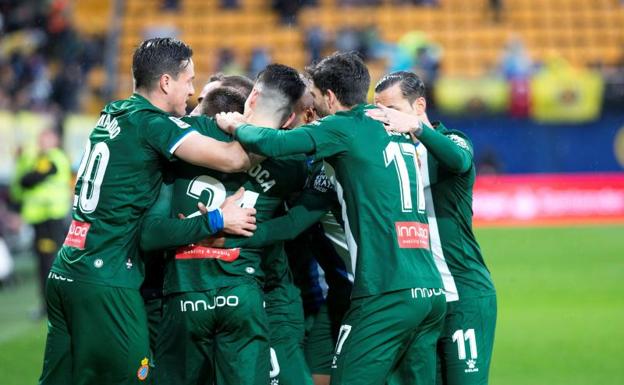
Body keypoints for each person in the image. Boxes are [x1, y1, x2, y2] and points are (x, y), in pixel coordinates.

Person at [216, 51, 446, 385]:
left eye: (314, 94)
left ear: (330, 97)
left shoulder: (341, 127)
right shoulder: (387, 123)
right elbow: (301, 217)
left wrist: (236, 124)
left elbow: (274, 142)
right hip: (429, 290)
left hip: (385, 291)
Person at [38, 37, 256, 385]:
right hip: (107, 277)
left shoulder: (112, 113)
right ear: (166, 82)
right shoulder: (155, 125)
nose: (192, 90)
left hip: (67, 270)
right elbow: (234, 159)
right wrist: (239, 126)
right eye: (189, 80)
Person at [142, 63, 310, 385]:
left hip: (185, 290)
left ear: (253, 97)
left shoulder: (185, 138)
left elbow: (151, 233)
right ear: (289, 119)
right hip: (242, 294)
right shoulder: (291, 165)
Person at [368, 71, 497, 385]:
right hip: (421, 301)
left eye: (392, 110)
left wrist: (415, 128)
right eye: (378, 110)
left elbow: (459, 161)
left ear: (419, 105)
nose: (384, 118)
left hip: (463, 293)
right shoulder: (387, 155)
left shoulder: (451, 140)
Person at [10, 128, 71, 318]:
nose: (42, 142)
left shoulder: (53, 158)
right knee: (45, 263)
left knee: (50, 262)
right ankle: (48, 305)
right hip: (41, 220)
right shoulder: (39, 158)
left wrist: (26, 174)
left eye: (46, 138)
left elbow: (29, 180)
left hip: (50, 219)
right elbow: (22, 180)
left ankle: (53, 305)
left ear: (55, 140)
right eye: (40, 138)